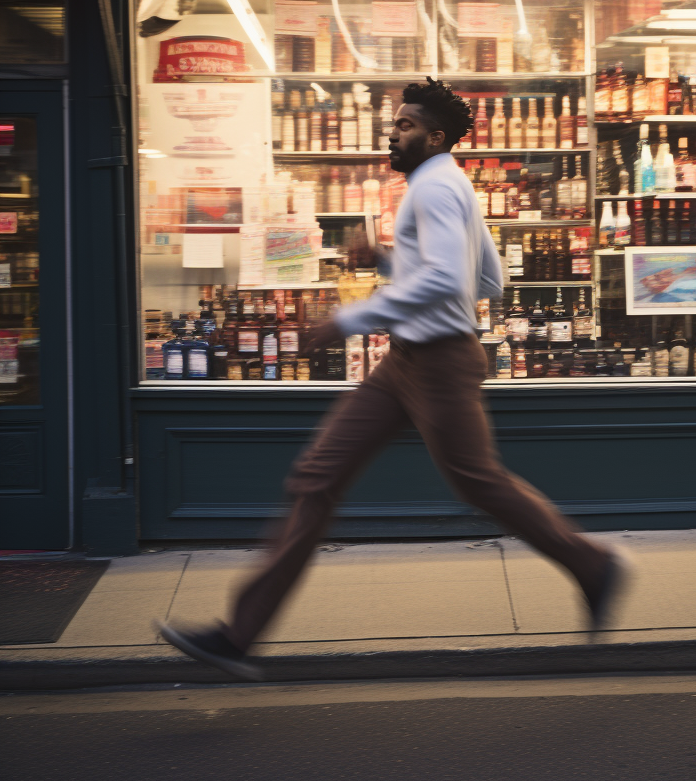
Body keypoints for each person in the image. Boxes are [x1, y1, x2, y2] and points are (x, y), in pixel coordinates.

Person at [158, 79, 631, 680]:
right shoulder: (450, 184)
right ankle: (238, 635)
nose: (393, 131)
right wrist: (386, 260)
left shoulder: (432, 189)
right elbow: (488, 281)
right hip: (407, 361)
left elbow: (443, 282)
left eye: (406, 125)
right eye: (395, 122)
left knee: (480, 484)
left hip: (436, 364)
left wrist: (348, 318)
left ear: (434, 136)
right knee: (317, 477)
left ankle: (593, 565)